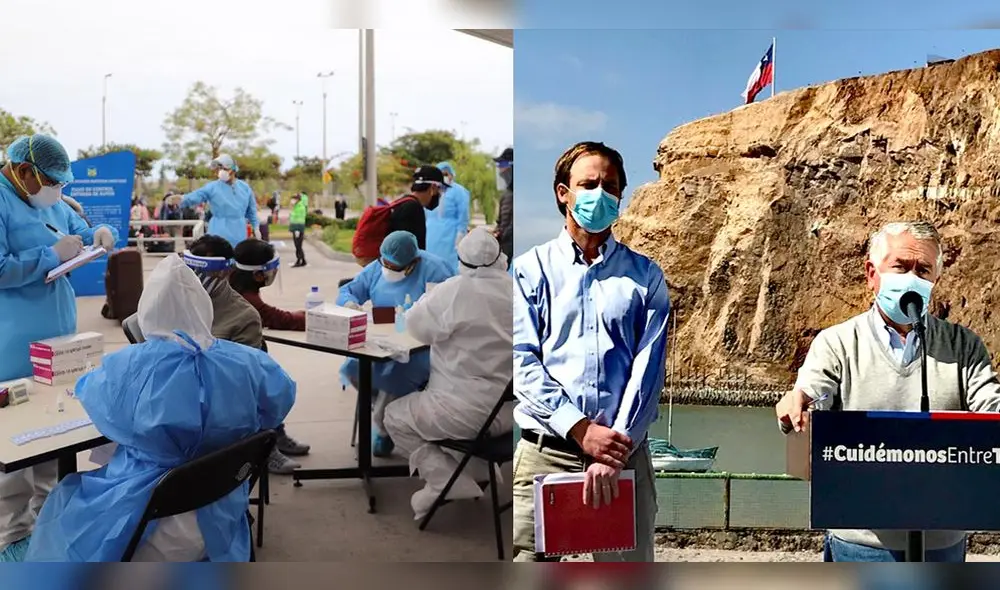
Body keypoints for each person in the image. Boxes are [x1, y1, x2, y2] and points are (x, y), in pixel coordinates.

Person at [24, 255, 296, 562]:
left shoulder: (129, 366)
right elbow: (279, 402)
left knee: (64, 500)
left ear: (148, 310)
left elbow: (96, 402)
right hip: (221, 511)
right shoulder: (247, 361)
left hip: (146, 521)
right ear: (204, 307)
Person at [775, 221, 1000, 562]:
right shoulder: (837, 343)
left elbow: (990, 409)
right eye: (900, 267)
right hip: (862, 543)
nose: (912, 278)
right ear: (872, 273)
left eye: (923, 269)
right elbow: (811, 390)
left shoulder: (963, 345)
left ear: (935, 279)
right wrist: (799, 402)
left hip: (941, 543)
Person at [511, 141, 670, 562]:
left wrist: (614, 447)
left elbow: (648, 370)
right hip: (547, 451)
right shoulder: (531, 269)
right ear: (564, 192)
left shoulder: (646, 276)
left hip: (623, 457)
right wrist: (581, 429)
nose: (600, 193)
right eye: (588, 184)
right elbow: (521, 361)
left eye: (610, 185)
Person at [383, 228, 513, 519]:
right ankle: (475, 472)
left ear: (461, 260)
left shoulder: (454, 290)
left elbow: (416, 327)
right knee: (442, 417)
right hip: (508, 413)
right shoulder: (515, 290)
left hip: (462, 412)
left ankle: (444, 481)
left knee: (394, 417)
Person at [184, 235, 311, 474]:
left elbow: (243, 380)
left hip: (212, 397)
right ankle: (267, 442)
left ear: (225, 272)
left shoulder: (241, 312)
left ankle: (267, 442)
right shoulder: (173, 297)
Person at [337, 230, 454, 456]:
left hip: (422, 345)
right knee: (353, 367)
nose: (388, 269)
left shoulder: (435, 270)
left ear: (413, 262)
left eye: (394, 267)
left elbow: (447, 311)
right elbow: (349, 290)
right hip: (382, 338)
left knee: (396, 373)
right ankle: (387, 407)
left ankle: (383, 428)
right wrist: (349, 303)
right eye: (385, 263)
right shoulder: (377, 268)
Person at [170, 154, 260, 248]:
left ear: (233, 169)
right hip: (217, 232)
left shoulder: (245, 188)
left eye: (224, 169)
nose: (220, 172)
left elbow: (251, 211)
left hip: (239, 234)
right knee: (217, 257)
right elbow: (197, 195)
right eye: (219, 169)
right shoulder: (212, 187)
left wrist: (256, 227)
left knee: (237, 259)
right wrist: (182, 199)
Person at [231, 239, 305, 331]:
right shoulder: (247, 299)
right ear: (258, 276)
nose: (274, 272)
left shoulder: (234, 278)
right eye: (271, 270)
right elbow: (280, 319)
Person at [424, 162, 470, 272]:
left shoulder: (459, 191)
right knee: (431, 262)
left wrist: (461, 233)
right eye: (442, 174)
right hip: (431, 233)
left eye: (447, 174)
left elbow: (463, 214)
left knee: (450, 264)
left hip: (450, 234)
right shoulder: (432, 190)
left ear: (452, 175)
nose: (445, 177)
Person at [389, 166, 446, 251]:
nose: (440, 194)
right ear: (433, 188)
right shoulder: (414, 208)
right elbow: (412, 251)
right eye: (440, 189)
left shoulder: (403, 202)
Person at [493, 148, 513, 268]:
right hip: (504, 248)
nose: (500, 170)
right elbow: (502, 222)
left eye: (503, 165)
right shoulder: (506, 195)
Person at [288, 191, 308, 267]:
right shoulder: (296, 206)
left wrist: (291, 213)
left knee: (298, 245)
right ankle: (303, 260)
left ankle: (299, 260)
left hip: (298, 227)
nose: (292, 200)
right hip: (295, 227)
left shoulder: (300, 207)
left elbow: (299, 217)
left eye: (294, 199)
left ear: (298, 199)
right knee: (298, 245)